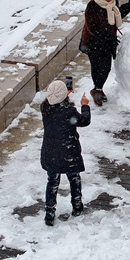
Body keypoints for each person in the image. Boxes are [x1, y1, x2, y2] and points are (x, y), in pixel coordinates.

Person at [40, 80, 91, 226]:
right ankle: (77, 207)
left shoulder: (45, 109)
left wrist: (64, 95)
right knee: (74, 178)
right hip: (69, 153)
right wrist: (85, 105)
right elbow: (84, 121)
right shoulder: (69, 113)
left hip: (50, 153)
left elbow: (55, 102)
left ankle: (49, 214)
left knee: (52, 182)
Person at [79, 0, 130, 106]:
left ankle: (97, 89)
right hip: (93, 42)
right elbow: (92, 27)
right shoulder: (93, 6)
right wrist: (109, 36)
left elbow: (117, 15)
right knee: (96, 66)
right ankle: (98, 89)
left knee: (106, 67)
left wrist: (129, 5)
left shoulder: (112, 5)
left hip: (107, 43)